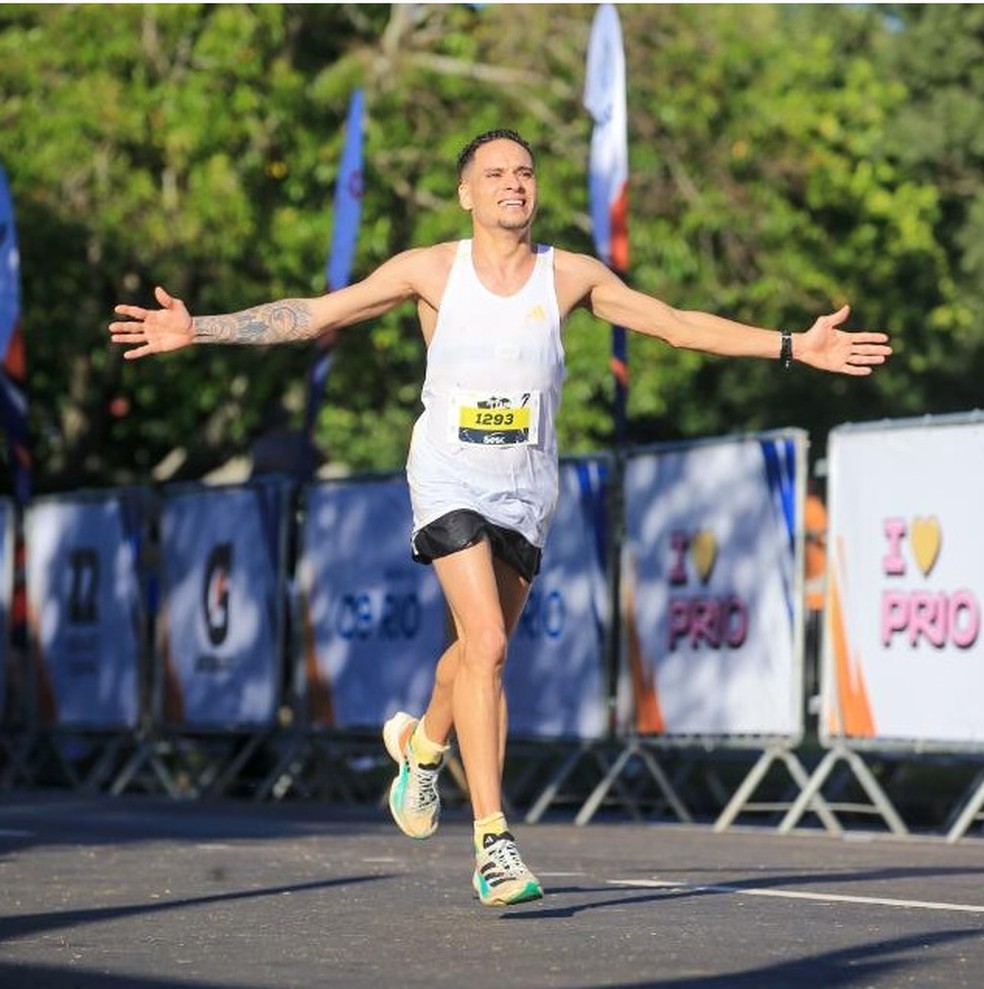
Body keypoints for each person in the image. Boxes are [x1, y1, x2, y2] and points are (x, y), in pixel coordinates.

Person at [109, 128, 891, 907]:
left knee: (479, 654)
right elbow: (315, 315)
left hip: (525, 488)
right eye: (495, 174)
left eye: (523, 172)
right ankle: (493, 842)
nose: (512, 183)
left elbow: (676, 323)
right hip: (447, 477)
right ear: (467, 193)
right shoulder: (429, 270)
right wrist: (200, 328)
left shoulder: (570, 276)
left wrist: (793, 344)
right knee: (483, 642)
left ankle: (421, 746)